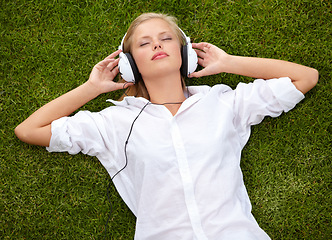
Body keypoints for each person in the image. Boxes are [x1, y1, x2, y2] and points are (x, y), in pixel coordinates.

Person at [15, 12, 318, 240]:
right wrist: (92, 88)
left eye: (167, 38)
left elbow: (305, 78)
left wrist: (229, 63)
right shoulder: (115, 123)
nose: (157, 44)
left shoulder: (223, 103)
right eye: (144, 43)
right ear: (129, 66)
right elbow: (29, 130)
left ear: (185, 54)